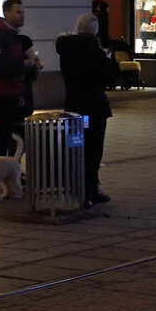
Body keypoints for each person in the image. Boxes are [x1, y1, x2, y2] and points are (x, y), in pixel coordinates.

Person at [55, 13, 118, 207]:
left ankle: (75, 188)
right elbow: (109, 77)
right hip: (94, 107)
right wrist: (108, 59)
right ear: (94, 30)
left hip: (74, 107)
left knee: (75, 148)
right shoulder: (95, 51)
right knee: (93, 149)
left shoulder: (65, 48)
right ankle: (89, 190)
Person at [0, 0, 41, 157]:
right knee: (5, 135)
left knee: (13, 133)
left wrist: (31, 66)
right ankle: (0, 171)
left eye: (23, 12)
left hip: (12, 91)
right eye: (18, 12)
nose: (22, 16)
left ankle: (9, 170)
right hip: (2, 93)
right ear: (7, 13)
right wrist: (23, 64)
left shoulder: (12, 36)